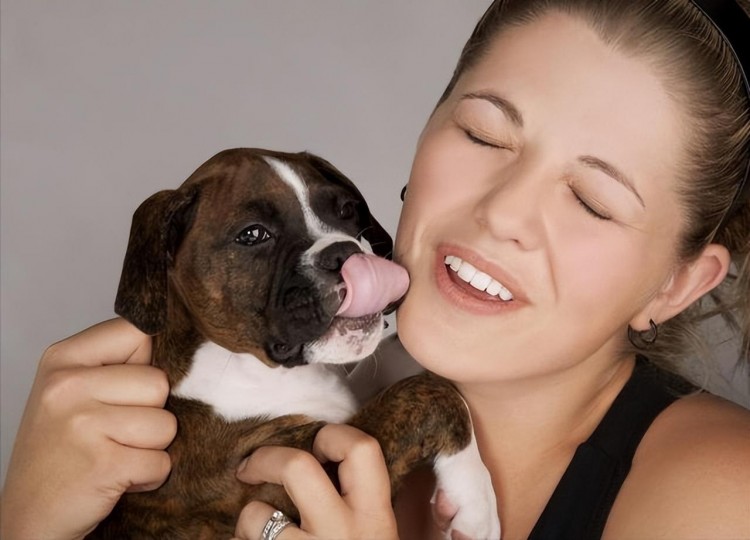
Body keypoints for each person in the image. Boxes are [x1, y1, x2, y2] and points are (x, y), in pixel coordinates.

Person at [2, 0, 750, 538]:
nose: (502, 212)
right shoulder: (267, 402)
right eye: (485, 135)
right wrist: (28, 526)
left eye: (591, 200)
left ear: (677, 284)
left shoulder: (725, 499)